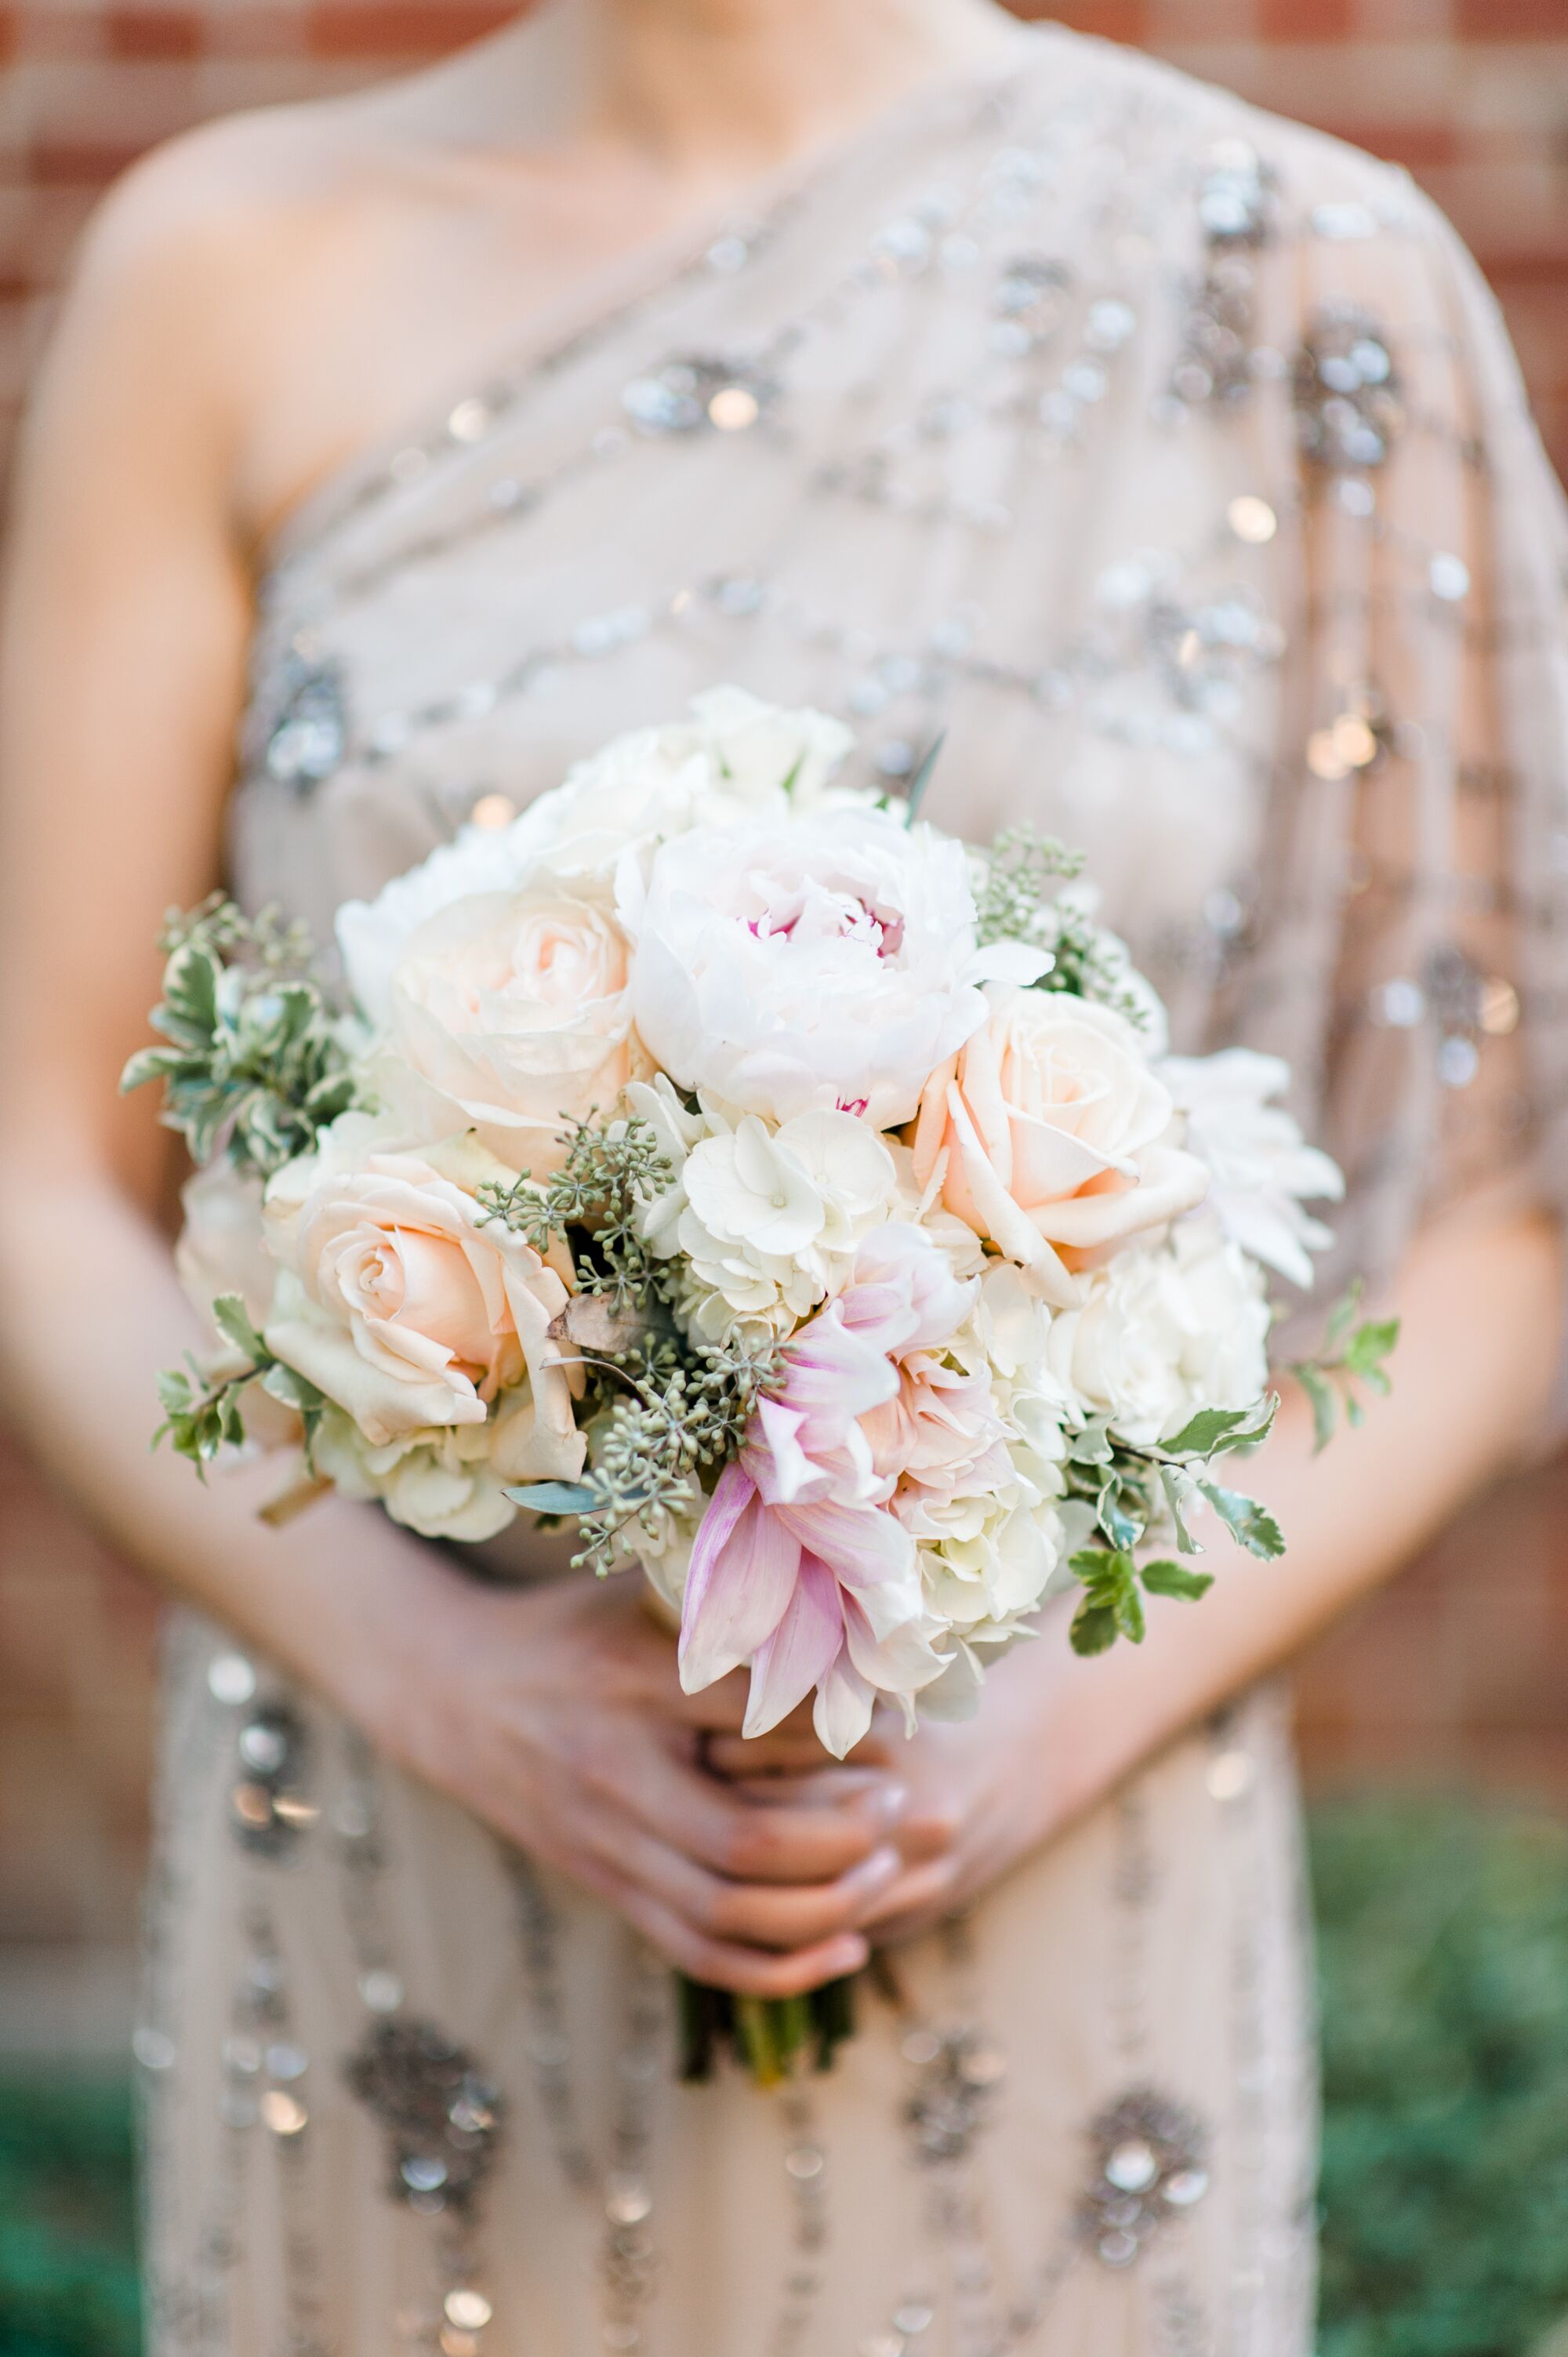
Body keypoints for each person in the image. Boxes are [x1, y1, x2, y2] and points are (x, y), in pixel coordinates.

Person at [2, 0, 1565, 2348]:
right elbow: (36, 1174)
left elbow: (1504, 1228)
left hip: (1034, 1849)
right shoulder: (232, 267)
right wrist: (462, 1693)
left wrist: (1031, 1738)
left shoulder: (1301, 269)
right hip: (394, 1853)